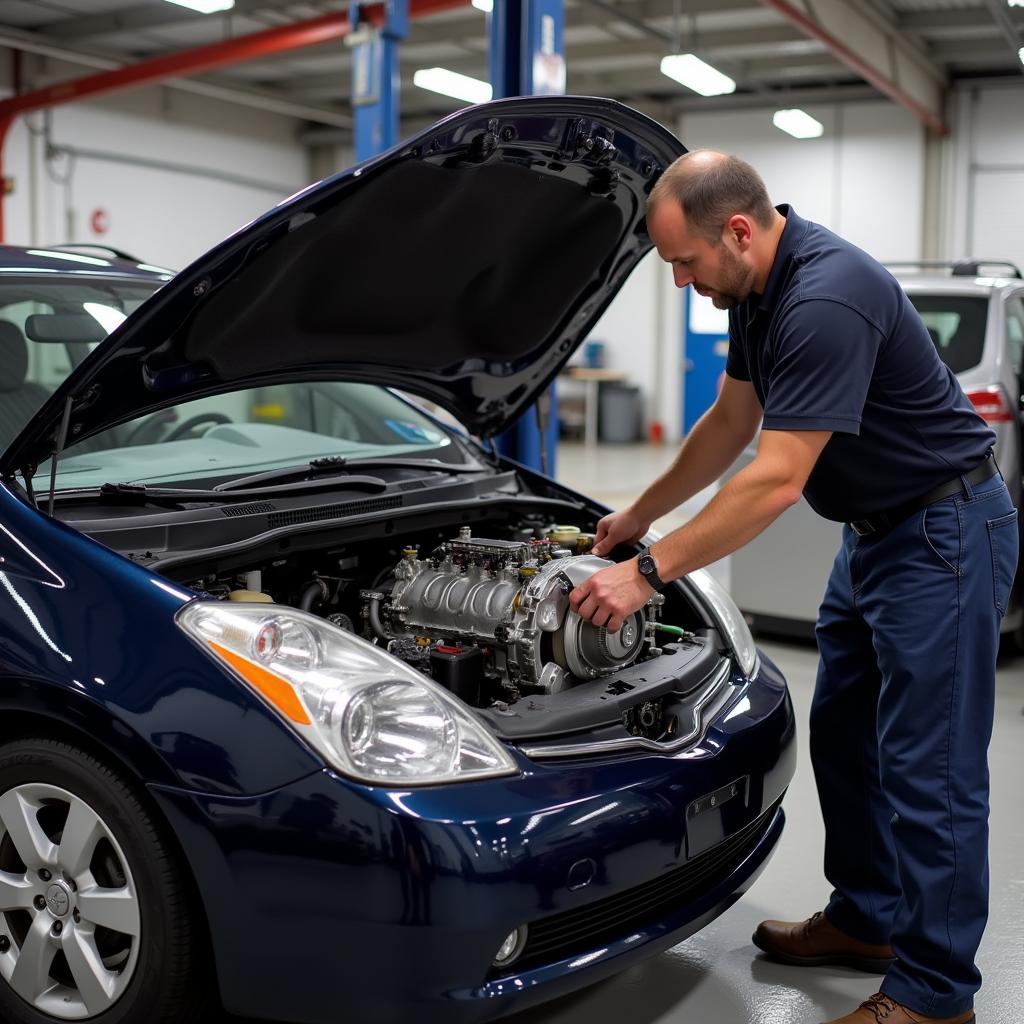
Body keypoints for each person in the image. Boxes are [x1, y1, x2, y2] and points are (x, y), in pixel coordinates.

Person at [568, 150, 1018, 1024]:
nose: (679, 281)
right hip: (875, 535)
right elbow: (730, 421)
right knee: (844, 733)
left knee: (932, 770)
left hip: (943, 534)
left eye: (684, 263)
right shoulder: (755, 290)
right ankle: (868, 919)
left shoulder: (824, 297)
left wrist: (649, 573)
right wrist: (641, 515)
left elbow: (775, 478)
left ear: (737, 231)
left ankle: (936, 994)